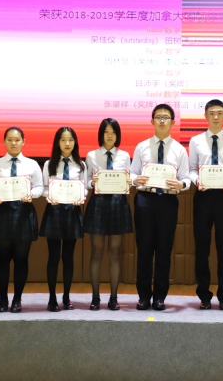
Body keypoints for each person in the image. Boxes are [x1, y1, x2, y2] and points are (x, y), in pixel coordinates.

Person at [130, 103, 191, 311]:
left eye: (166, 117)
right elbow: (132, 173)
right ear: (152, 121)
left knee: (164, 250)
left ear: (173, 122)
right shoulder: (141, 147)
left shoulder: (180, 150)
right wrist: (135, 179)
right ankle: (143, 297)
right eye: (158, 117)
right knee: (144, 249)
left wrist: (181, 185)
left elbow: (186, 178)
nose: (162, 120)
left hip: (168, 201)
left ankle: (159, 298)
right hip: (145, 200)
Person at [188, 99, 223, 311]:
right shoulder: (195, 141)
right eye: (212, 113)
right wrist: (197, 181)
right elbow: (192, 169)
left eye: (219, 113)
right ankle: (204, 295)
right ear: (205, 116)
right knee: (202, 249)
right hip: (203, 197)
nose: (216, 117)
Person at [0, 127, 43, 313]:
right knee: (1, 259)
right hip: (2, 212)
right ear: (4, 142)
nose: (13, 143)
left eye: (17, 140)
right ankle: (3, 300)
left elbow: (40, 187)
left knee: (21, 259)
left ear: (23, 142)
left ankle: (17, 300)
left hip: (24, 212)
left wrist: (31, 194)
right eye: (9, 139)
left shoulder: (32, 164)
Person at [84, 119, 133, 311]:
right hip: (98, 204)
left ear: (117, 135)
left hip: (117, 203)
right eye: (106, 132)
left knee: (114, 252)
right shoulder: (91, 155)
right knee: (96, 252)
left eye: (113, 132)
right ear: (101, 134)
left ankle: (113, 297)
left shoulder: (125, 155)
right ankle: (95, 297)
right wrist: (92, 182)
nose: (110, 135)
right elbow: (86, 182)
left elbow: (128, 179)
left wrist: (128, 182)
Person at [41, 127, 87, 312]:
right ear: (57, 143)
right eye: (63, 140)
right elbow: (44, 188)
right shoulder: (49, 164)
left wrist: (80, 197)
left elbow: (84, 189)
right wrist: (50, 196)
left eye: (70, 140)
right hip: (54, 211)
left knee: (68, 257)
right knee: (53, 257)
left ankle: (66, 297)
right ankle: (52, 298)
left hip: (72, 212)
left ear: (75, 143)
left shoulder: (81, 165)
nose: (67, 143)